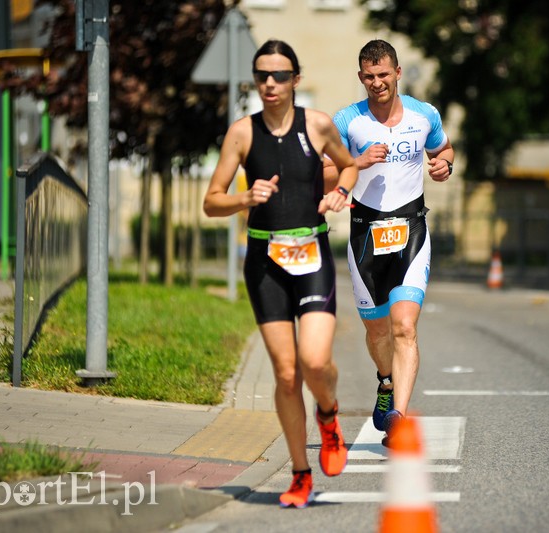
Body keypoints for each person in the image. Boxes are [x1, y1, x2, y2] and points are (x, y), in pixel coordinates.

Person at [203, 39, 358, 508]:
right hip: (264, 261)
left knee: (314, 361)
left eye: (280, 75)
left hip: (311, 255)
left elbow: (348, 168)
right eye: (262, 75)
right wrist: (244, 200)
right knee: (287, 373)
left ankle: (328, 416)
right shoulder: (241, 134)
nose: (270, 83)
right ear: (256, 80)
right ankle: (299, 473)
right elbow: (212, 201)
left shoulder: (318, 125)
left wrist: (339, 195)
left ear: (296, 79)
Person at [326, 39, 455, 446]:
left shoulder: (424, 115)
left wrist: (444, 164)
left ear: (397, 72)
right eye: (369, 77)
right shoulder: (347, 121)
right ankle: (385, 382)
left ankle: (398, 416)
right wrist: (356, 162)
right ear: (361, 77)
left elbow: (444, 149)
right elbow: (324, 173)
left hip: (412, 229)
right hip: (365, 233)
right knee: (378, 332)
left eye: (384, 75)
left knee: (404, 327)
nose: (377, 83)